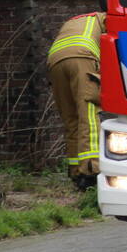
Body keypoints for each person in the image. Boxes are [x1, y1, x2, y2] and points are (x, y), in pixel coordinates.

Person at [47, 12, 106, 191]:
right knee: (89, 114)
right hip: (82, 56)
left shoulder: (77, 20)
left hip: (55, 61)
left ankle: (75, 171)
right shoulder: (108, 18)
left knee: (71, 118)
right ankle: (90, 171)